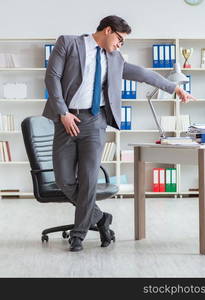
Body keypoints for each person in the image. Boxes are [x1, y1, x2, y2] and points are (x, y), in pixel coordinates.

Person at [43, 15, 196, 252]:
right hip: (66, 120)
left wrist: (175, 88)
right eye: (120, 39)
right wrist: (63, 112)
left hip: (95, 121)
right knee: (64, 180)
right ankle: (101, 218)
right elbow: (52, 77)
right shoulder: (69, 43)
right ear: (107, 30)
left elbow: (144, 74)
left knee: (88, 179)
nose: (120, 45)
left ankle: (79, 234)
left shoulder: (115, 59)